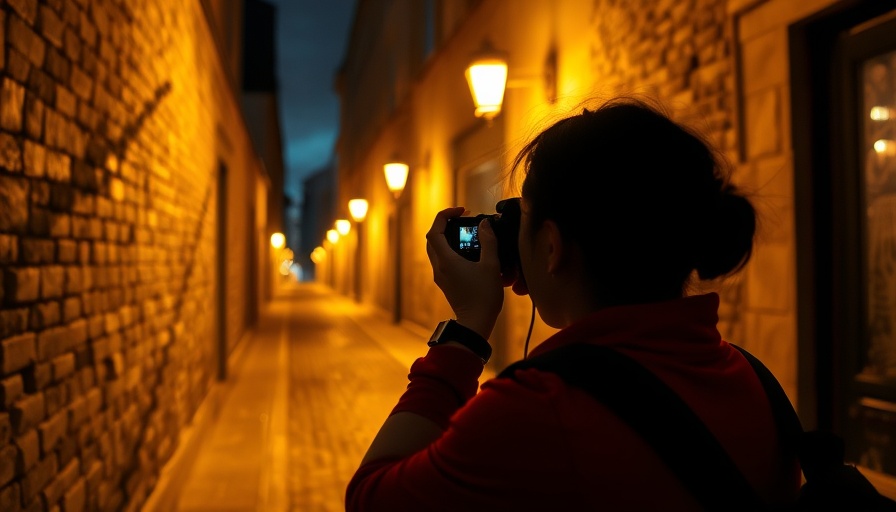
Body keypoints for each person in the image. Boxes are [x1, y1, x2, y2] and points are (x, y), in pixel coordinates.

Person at [345, 98, 801, 510]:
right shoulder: (753, 378)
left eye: (523, 216)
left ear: (551, 246)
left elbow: (371, 497)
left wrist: (467, 330)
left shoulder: (539, 409)